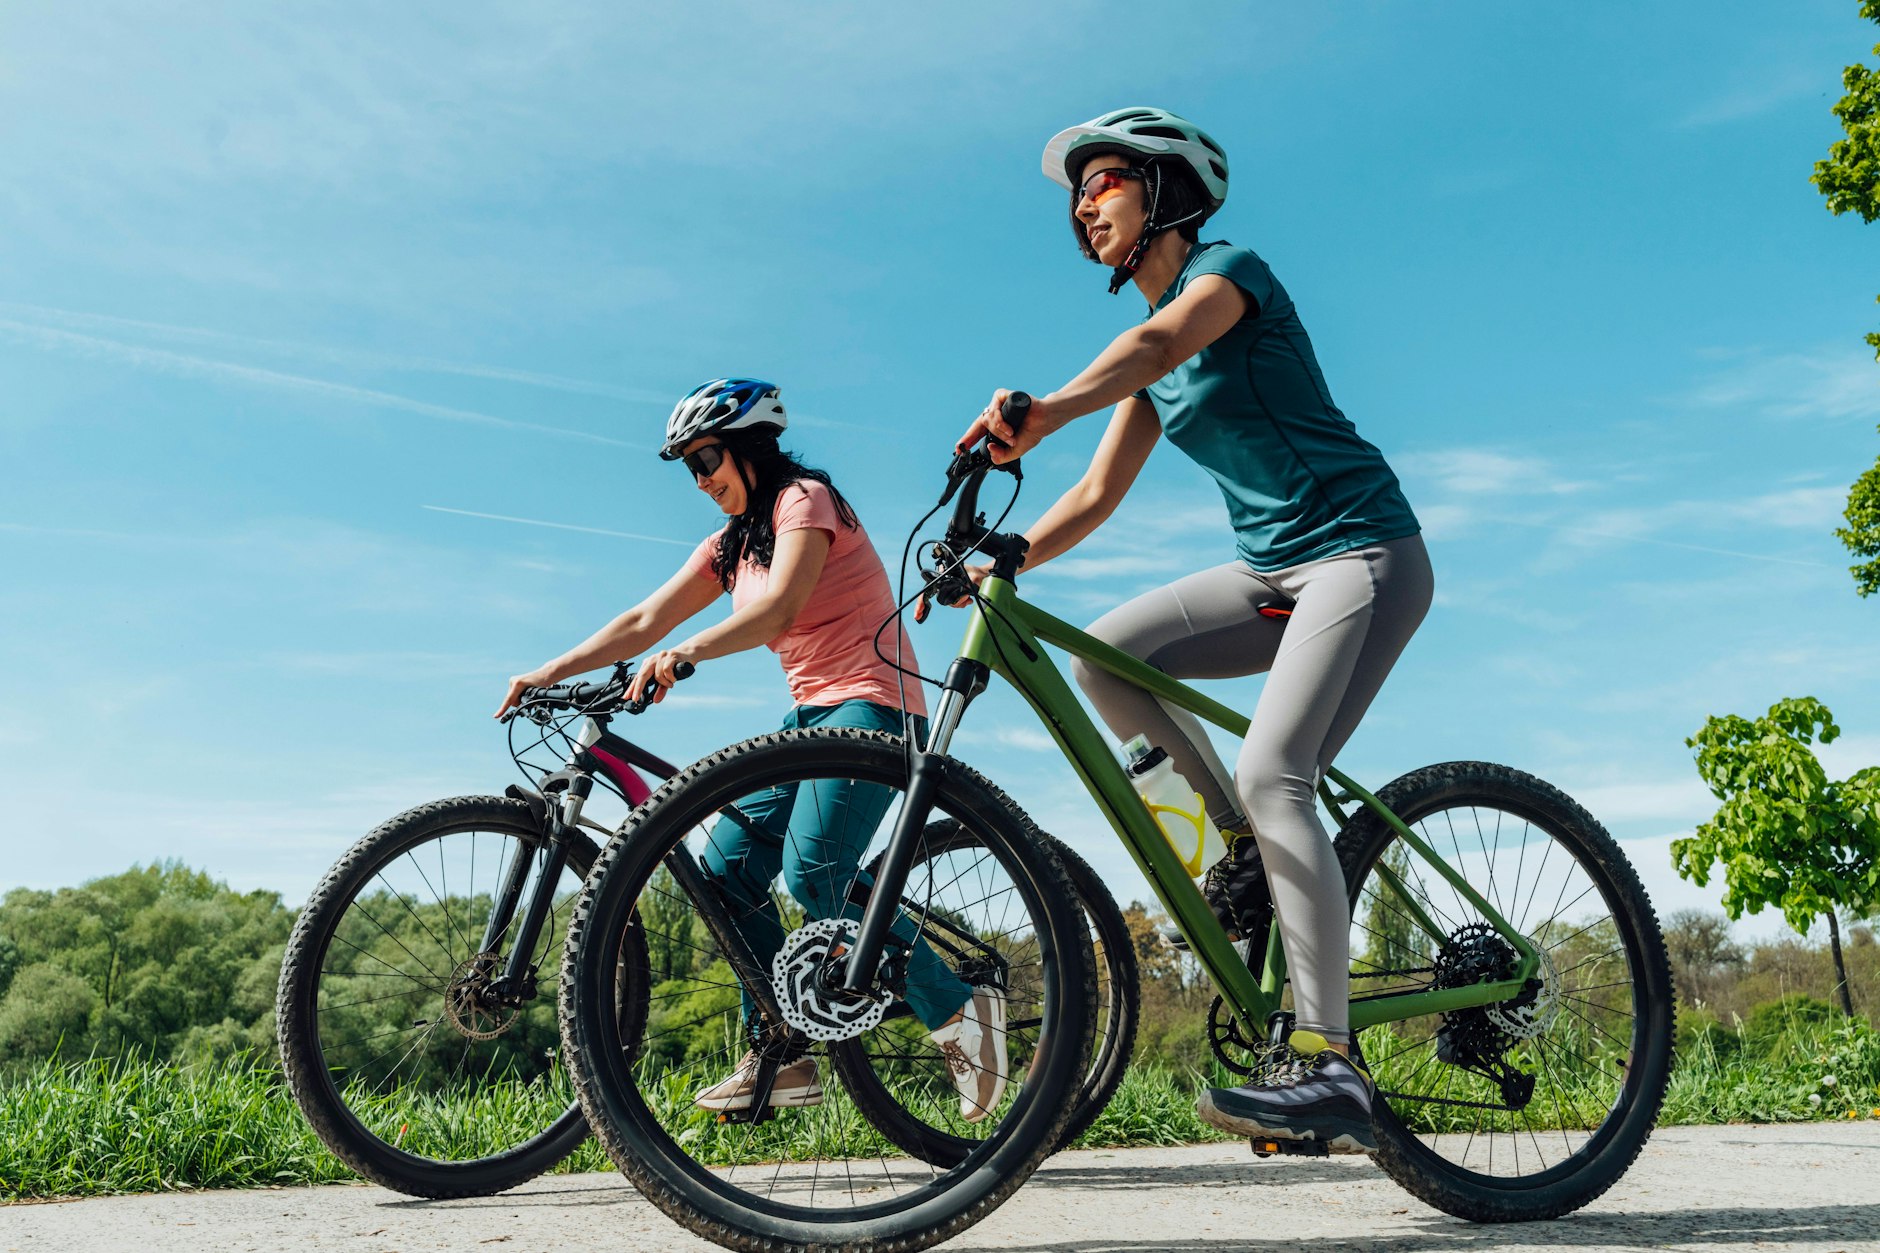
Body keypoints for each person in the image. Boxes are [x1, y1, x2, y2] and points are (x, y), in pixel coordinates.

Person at [953, 108, 1432, 1152]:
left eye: (1104, 180)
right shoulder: (1147, 369)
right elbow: (1090, 495)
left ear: (1166, 188)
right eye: (1075, 194)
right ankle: (1241, 855)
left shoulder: (1226, 271)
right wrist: (1005, 552)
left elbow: (1158, 338)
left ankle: (1328, 1062)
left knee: (1278, 773)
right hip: (1271, 573)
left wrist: (1040, 409)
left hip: (1360, 554)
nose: (1083, 205)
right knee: (1106, 659)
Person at [496, 378, 1007, 1121]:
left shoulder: (804, 499)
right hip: (808, 717)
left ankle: (959, 1010)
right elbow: (644, 616)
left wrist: (689, 650)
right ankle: (785, 1047)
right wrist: (549, 669)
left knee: (813, 873)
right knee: (727, 874)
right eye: (690, 469)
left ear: (748, 445)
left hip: (875, 707)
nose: (702, 480)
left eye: (708, 459)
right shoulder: (731, 544)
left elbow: (782, 607)